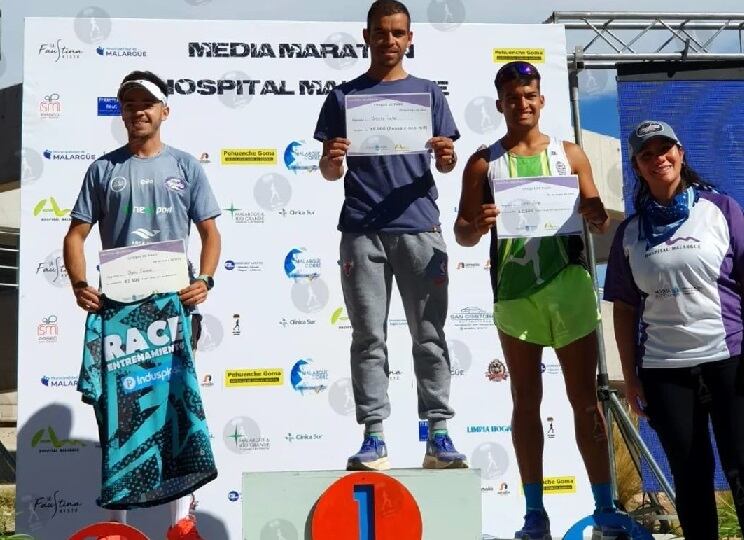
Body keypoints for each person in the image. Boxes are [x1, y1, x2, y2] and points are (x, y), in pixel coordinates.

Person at [454, 61, 624, 539]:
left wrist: (594, 213)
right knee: (525, 401)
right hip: (515, 295)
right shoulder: (484, 162)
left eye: (529, 95)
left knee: (585, 402)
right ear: (500, 104)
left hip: (569, 290)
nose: (522, 104)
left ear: (542, 100)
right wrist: (477, 223)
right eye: (513, 97)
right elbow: (463, 234)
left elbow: (596, 218)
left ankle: (605, 507)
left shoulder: (570, 155)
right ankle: (535, 514)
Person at [63, 70, 221, 540]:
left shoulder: (187, 167)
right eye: (129, 105)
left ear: (164, 110)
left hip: (171, 308)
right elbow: (76, 234)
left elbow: (211, 232)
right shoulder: (103, 169)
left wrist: (206, 280)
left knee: (173, 405)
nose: (138, 112)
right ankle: (119, 527)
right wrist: (78, 283)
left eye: (146, 104)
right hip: (119, 311)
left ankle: (179, 524)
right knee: (121, 412)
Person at [314, 0, 466, 471]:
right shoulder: (343, 97)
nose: (389, 41)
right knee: (367, 336)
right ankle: (374, 435)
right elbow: (327, 171)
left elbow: (446, 162)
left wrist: (444, 159)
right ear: (367, 36)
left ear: (410, 38)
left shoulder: (428, 95)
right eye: (381, 33)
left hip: (419, 225)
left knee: (429, 335)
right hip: (362, 230)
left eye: (398, 33)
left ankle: (438, 433)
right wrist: (334, 160)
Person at [605, 120, 744, 538]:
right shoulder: (630, 233)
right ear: (638, 167)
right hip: (664, 370)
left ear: (681, 154)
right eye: (647, 154)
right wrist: (630, 377)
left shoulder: (720, 209)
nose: (658, 159)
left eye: (665, 149)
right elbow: (625, 309)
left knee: (742, 468)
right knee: (690, 476)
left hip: (729, 359)